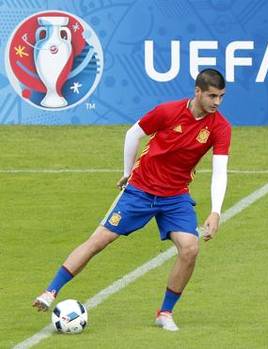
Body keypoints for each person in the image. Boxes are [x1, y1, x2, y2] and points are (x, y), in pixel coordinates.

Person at [32, 68, 231, 331]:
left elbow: (220, 170)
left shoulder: (220, 127)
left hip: (175, 196)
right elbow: (133, 134)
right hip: (141, 190)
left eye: (221, 97)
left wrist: (216, 211)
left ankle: (165, 313)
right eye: (212, 96)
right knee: (99, 240)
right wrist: (127, 173)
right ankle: (50, 291)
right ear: (198, 91)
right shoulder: (167, 111)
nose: (217, 102)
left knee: (190, 248)